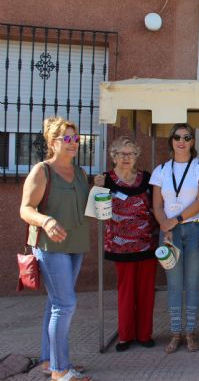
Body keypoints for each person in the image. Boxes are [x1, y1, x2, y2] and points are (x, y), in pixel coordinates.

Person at [20, 117, 91, 381]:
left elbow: (86, 207)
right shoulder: (42, 170)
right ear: (52, 142)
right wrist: (46, 220)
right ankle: (60, 370)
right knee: (65, 304)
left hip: (77, 245)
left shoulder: (81, 173)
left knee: (55, 304)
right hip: (50, 247)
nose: (74, 144)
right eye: (67, 139)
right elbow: (25, 209)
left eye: (76, 138)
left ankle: (49, 361)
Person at [150, 123, 199, 353]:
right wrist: (164, 224)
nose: (182, 141)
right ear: (171, 140)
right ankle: (175, 333)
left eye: (187, 137)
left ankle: (191, 333)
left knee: (192, 283)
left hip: (194, 228)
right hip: (168, 232)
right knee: (174, 284)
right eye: (177, 137)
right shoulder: (161, 170)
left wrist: (173, 220)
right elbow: (156, 205)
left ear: (192, 141)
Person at [94, 137, 158, 352]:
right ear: (113, 156)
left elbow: (157, 206)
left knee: (146, 292)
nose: (126, 158)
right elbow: (96, 212)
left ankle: (144, 334)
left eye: (130, 153)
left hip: (147, 245)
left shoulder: (147, 178)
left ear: (137, 156)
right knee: (126, 292)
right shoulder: (106, 180)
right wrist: (98, 190)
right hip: (120, 247)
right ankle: (125, 336)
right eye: (121, 153)